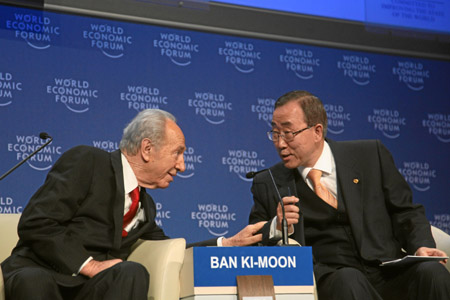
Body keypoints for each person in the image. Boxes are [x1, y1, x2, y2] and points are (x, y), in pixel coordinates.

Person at [1, 109, 265, 300]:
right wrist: (89, 264)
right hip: (41, 273)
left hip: (89, 288)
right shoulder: (89, 162)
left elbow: (171, 248)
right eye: (178, 152)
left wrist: (226, 244)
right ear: (147, 149)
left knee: (131, 272)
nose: (182, 166)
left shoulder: (145, 207)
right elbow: (37, 222)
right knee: (32, 281)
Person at [248, 90, 450, 300]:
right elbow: (256, 245)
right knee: (349, 280)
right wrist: (277, 227)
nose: (280, 143)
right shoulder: (269, 183)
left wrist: (421, 246)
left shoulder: (370, 155)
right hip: (334, 281)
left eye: (288, 133)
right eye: (275, 133)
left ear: (317, 131)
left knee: (432, 272)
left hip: (389, 272)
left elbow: (406, 212)